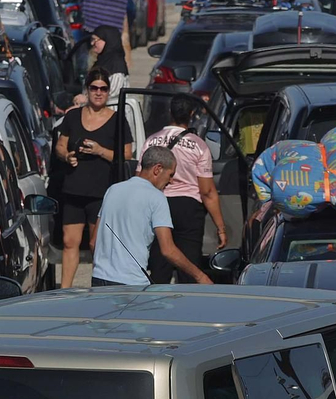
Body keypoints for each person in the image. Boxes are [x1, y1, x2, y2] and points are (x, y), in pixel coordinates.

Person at [92, 145, 212, 288]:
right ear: (157, 169)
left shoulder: (112, 190)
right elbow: (168, 250)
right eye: (171, 175)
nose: (171, 181)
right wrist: (200, 276)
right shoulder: (157, 197)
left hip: (99, 279)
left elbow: (94, 242)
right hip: (131, 284)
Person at [55, 68, 132, 287]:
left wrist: (100, 151)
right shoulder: (72, 116)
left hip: (102, 191)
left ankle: (98, 287)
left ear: (109, 92)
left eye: (103, 89)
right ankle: (65, 289)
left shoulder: (117, 120)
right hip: (73, 188)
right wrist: (67, 156)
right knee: (70, 242)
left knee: (96, 243)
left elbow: (127, 154)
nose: (99, 93)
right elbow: (60, 146)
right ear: (87, 90)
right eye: (94, 88)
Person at [144, 94, 225, 282]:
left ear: (169, 112)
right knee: (189, 268)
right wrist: (220, 227)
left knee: (159, 266)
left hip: (157, 204)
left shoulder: (151, 141)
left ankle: (155, 305)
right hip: (189, 209)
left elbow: (142, 178)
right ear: (191, 114)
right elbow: (207, 191)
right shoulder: (199, 146)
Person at [87, 25, 130, 102]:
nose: (92, 43)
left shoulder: (116, 66)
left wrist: (85, 100)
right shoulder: (101, 61)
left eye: (95, 40)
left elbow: (113, 95)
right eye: (91, 39)